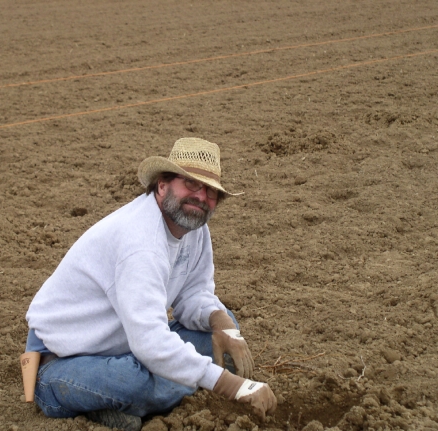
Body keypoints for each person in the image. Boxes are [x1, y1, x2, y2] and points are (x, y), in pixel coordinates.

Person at [24, 137, 277, 431]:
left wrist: (223, 325)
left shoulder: (194, 228)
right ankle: (87, 397)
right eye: (191, 184)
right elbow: (149, 341)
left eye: (210, 191)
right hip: (64, 361)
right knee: (131, 380)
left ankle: (127, 403)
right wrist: (235, 387)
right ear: (162, 185)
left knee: (221, 332)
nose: (201, 197)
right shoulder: (141, 242)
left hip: (127, 348)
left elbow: (194, 293)